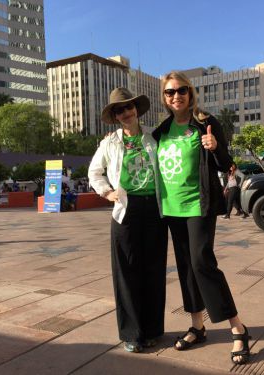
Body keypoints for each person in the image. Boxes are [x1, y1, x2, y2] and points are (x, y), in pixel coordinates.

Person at [152, 71, 251, 365]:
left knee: (202, 262)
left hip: (199, 205)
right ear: (165, 97)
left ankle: (238, 327)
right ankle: (197, 325)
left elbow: (227, 164)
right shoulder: (161, 131)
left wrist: (216, 147)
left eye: (181, 90)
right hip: (171, 208)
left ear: (190, 93)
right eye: (170, 92)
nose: (176, 96)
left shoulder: (205, 123)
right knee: (186, 267)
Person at [88, 88, 168, 353]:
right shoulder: (110, 143)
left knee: (154, 270)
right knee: (126, 272)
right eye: (119, 110)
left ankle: (153, 329)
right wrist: (106, 191)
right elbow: (94, 172)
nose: (126, 113)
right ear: (115, 115)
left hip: (154, 209)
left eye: (129, 107)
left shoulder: (154, 136)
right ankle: (132, 333)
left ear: (137, 108)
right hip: (125, 210)